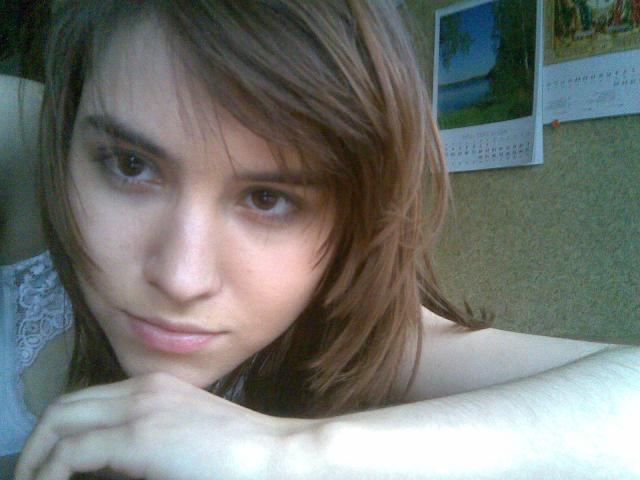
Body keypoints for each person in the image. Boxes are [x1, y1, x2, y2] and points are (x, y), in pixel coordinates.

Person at [0, 1, 637, 479]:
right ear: (64, 133)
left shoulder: (342, 334)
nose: (181, 278)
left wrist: (284, 454)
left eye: (267, 198)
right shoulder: (24, 147)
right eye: (131, 165)